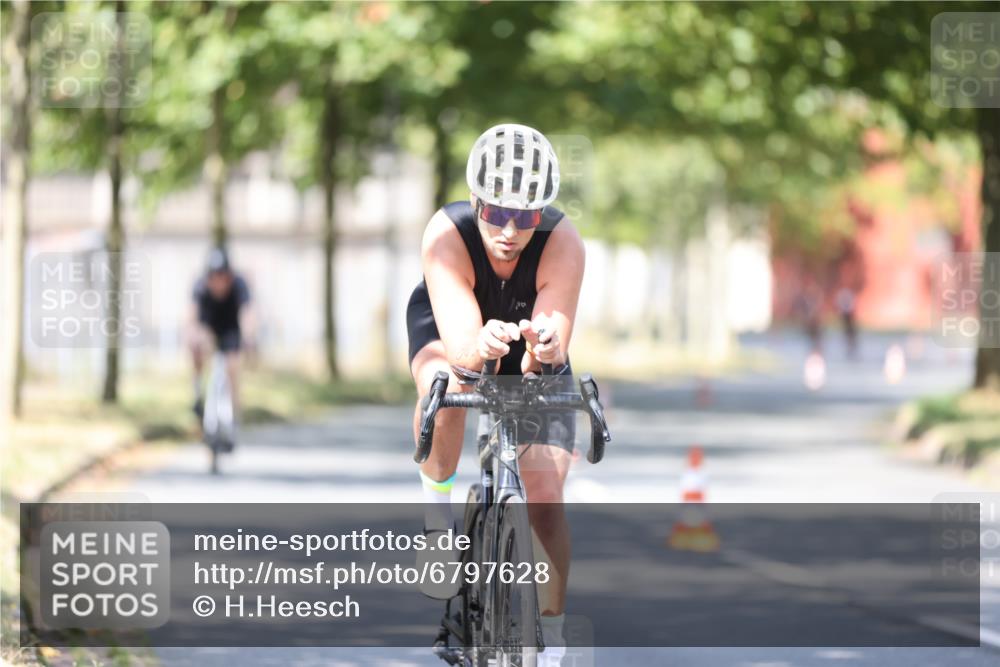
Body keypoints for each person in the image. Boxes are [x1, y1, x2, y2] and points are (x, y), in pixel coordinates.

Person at [406, 124, 584, 662]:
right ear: (475, 201)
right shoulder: (445, 233)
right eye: (496, 212)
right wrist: (478, 349)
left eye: (526, 216)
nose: (509, 229)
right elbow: (464, 352)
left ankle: (549, 640)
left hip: (525, 341)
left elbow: (545, 355)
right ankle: (437, 515)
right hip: (453, 331)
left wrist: (543, 347)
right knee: (450, 381)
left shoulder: (563, 242)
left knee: (546, 501)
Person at [187, 247, 256, 441]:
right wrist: (192, 337)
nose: (218, 282)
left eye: (222, 276)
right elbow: (191, 317)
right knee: (198, 346)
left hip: (231, 328)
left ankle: (234, 415)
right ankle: (197, 392)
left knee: (232, 366)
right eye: (214, 277)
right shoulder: (200, 287)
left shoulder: (240, 286)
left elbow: (247, 313)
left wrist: (249, 337)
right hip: (208, 327)